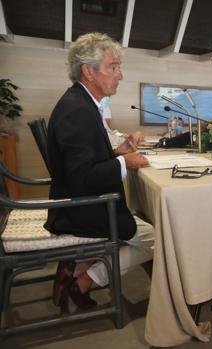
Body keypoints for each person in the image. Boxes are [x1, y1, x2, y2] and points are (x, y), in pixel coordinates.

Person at [45, 32, 154, 310]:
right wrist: (125, 163)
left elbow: (84, 161)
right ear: (88, 71)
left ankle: (79, 268)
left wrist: (120, 151)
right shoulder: (77, 111)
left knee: (143, 227)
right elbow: (82, 178)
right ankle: (83, 279)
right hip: (80, 209)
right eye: (113, 67)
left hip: (77, 201)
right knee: (159, 238)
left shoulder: (80, 103)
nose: (120, 75)